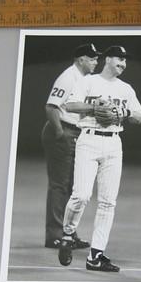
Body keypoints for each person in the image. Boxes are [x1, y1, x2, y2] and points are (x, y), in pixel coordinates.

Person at [58, 45, 141, 271]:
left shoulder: (126, 89)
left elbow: (139, 116)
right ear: (107, 59)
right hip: (88, 140)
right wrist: (95, 107)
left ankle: (95, 257)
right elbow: (70, 105)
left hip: (114, 143)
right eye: (120, 59)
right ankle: (67, 235)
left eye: (126, 60)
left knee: (108, 202)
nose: (124, 63)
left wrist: (124, 113)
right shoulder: (88, 81)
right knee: (81, 195)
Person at [42, 43, 100, 249]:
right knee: (59, 185)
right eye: (92, 58)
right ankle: (55, 235)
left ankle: (68, 233)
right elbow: (51, 107)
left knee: (73, 187)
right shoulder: (68, 77)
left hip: (75, 133)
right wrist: (59, 133)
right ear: (80, 60)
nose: (96, 61)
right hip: (63, 130)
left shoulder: (84, 79)